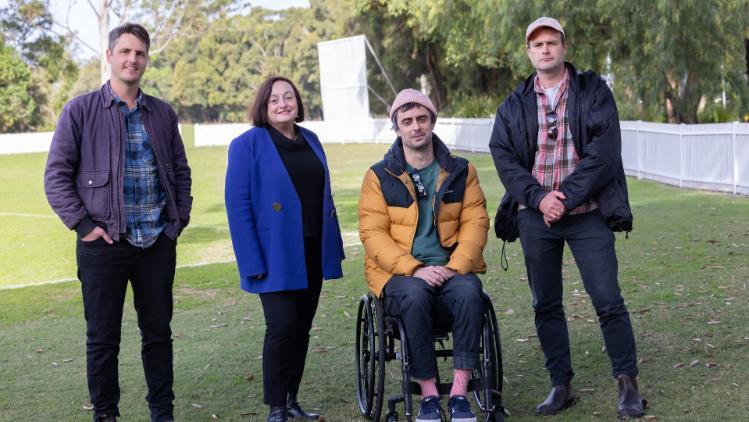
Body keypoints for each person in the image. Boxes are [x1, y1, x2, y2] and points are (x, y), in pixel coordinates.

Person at [489, 16, 646, 418]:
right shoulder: (514, 104)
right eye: (537, 44)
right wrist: (540, 199)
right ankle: (561, 385)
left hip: (588, 212)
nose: (545, 49)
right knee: (546, 304)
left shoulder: (593, 92)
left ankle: (627, 384)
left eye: (552, 42)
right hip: (534, 216)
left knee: (608, 299)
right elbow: (505, 159)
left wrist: (566, 196)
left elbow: (605, 153)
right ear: (528, 51)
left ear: (564, 46)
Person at [44, 23, 192, 422]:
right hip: (103, 244)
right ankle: (105, 415)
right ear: (109, 56)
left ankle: (162, 413)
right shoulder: (80, 110)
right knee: (103, 340)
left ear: (146, 59)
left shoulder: (162, 113)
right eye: (125, 52)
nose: (133, 59)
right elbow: (56, 176)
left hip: (156, 242)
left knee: (158, 335)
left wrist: (177, 222)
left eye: (140, 53)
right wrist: (83, 226)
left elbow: (180, 171)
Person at [358, 89, 490, 422]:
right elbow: (373, 234)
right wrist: (414, 269)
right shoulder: (378, 176)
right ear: (397, 127)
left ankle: (460, 392)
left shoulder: (462, 171)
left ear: (432, 122)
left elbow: (476, 222)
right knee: (415, 295)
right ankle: (429, 395)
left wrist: (455, 267)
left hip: (449, 269)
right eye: (407, 121)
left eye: (421, 119)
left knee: (471, 290)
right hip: (399, 274)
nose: (415, 127)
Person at [224, 76, 345, 422]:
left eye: (288, 97)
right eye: (274, 99)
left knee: (302, 327)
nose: (282, 103)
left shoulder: (312, 140)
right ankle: (276, 407)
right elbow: (238, 205)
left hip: (311, 248)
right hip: (273, 252)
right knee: (281, 326)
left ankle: (292, 399)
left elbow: (324, 195)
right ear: (262, 105)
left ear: (297, 102)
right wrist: (250, 259)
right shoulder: (246, 144)